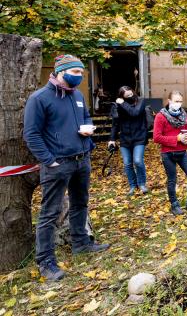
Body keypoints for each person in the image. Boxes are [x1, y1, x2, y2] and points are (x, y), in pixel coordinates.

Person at [23, 54, 110, 281]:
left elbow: (86, 118)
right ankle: (46, 262)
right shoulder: (40, 98)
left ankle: (80, 243)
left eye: (81, 73)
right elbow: (31, 134)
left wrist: (89, 130)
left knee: (80, 203)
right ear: (60, 72)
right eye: (75, 73)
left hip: (82, 160)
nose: (79, 77)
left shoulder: (78, 95)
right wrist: (49, 160)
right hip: (57, 164)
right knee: (50, 213)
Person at [153, 90, 187, 215]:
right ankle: (174, 204)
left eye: (180, 101)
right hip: (168, 153)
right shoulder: (161, 116)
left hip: (182, 152)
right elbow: (156, 137)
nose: (178, 104)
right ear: (169, 101)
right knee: (172, 180)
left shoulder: (183, 115)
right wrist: (176, 138)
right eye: (176, 101)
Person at [109, 86, 149, 196]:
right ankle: (132, 185)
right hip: (125, 138)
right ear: (122, 96)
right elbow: (115, 123)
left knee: (138, 161)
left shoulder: (140, 101)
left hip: (139, 137)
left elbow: (134, 112)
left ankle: (142, 184)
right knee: (127, 164)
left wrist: (122, 103)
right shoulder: (118, 106)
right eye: (127, 96)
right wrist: (112, 139)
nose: (130, 96)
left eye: (131, 94)